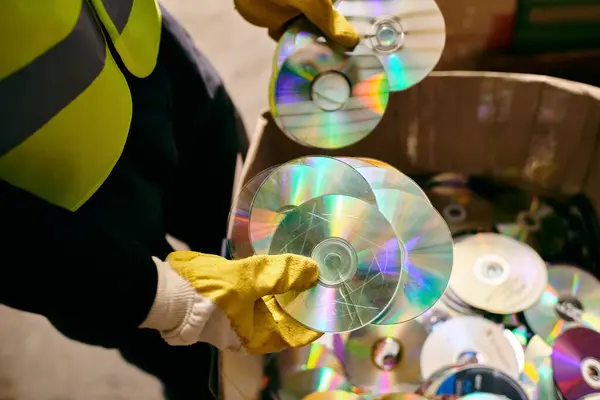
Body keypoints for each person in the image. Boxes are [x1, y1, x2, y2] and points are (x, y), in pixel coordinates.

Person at [0, 0, 358, 398]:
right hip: (62, 207)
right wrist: (163, 299)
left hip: (155, 59)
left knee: (247, 216)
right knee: (193, 360)